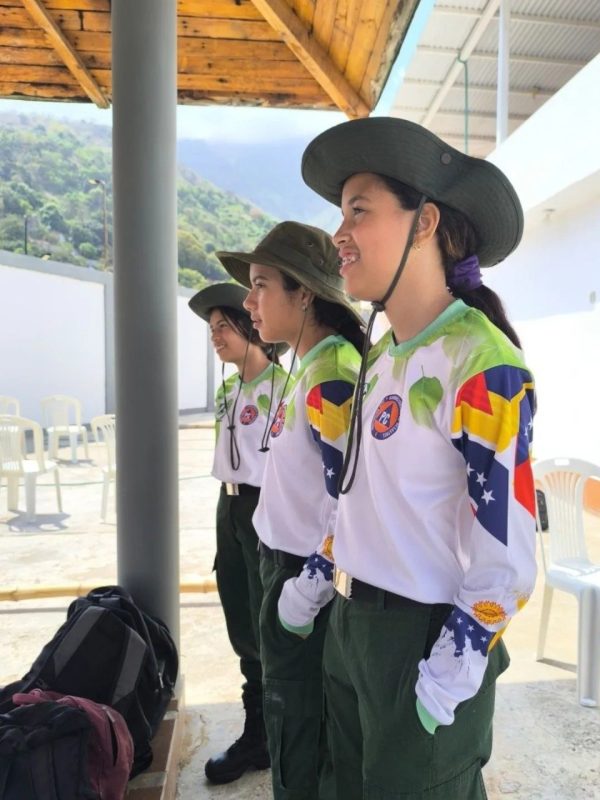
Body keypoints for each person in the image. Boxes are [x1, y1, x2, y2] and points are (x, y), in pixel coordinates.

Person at [278, 118, 538, 799]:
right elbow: (358, 498)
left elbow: (507, 552)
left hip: (421, 641)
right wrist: (317, 582)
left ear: (424, 222)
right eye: (341, 215)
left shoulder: (482, 362)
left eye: (358, 211)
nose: (338, 234)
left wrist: (447, 676)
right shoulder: (382, 357)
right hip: (352, 631)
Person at [216, 221, 367, 800]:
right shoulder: (310, 365)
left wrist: (306, 590)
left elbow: (348, 503)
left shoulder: (331, 376)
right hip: (280, 566)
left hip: (305, 580)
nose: (248, 302)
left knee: (304, 734)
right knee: (289, 724)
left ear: (303, 294)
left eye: (260, 285)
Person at [188, 283, 287, 785]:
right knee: (239, 615)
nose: (215, 337)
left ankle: (271, 733)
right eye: (212, 329)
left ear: (250, 328)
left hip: (262, 506)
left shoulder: (283, 387)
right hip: (227, 507)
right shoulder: (226, 391)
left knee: (266, 617)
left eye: (223, 326)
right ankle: (259, 732)